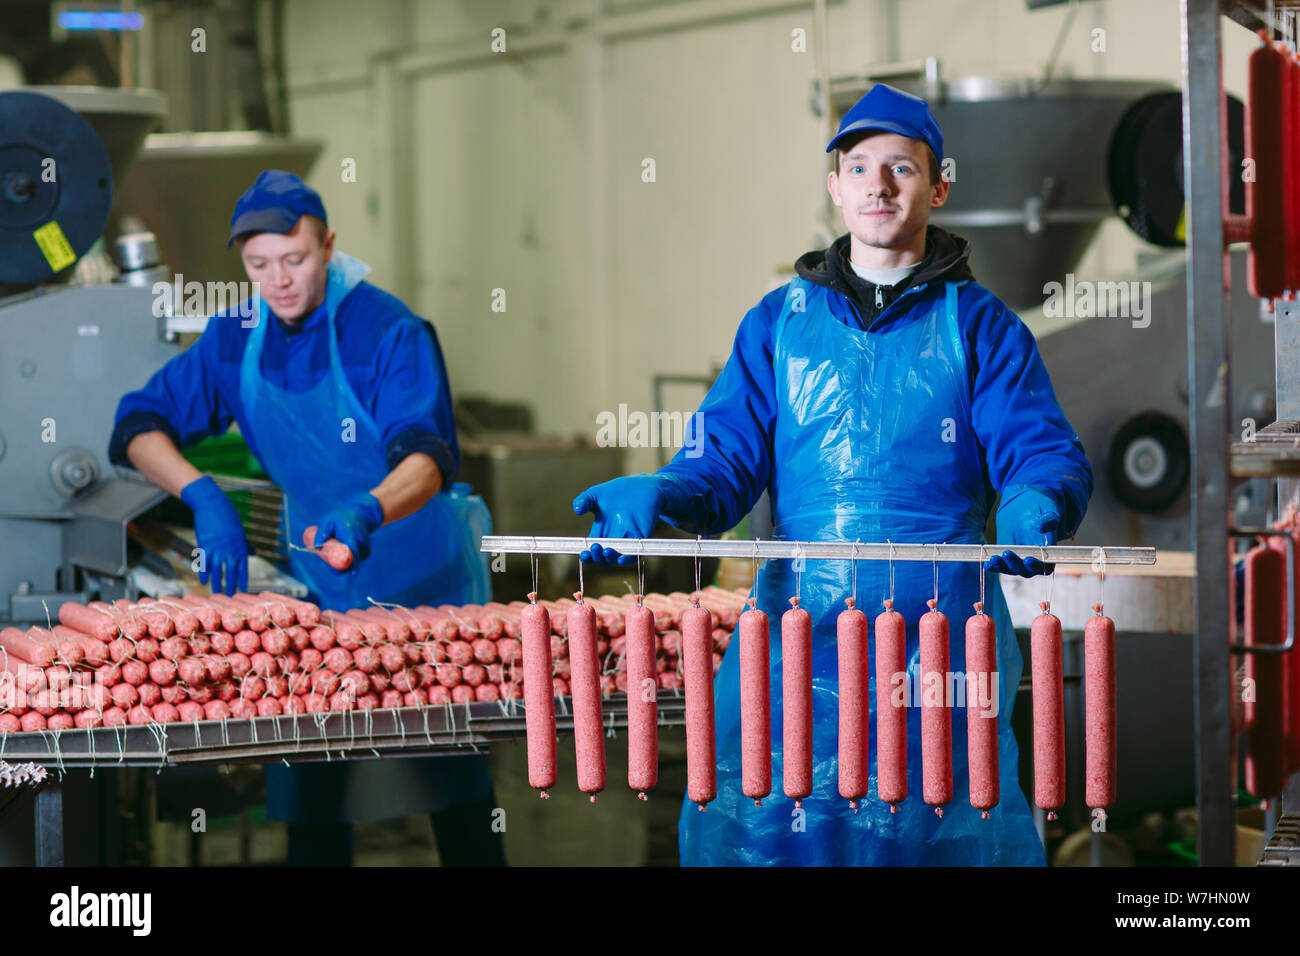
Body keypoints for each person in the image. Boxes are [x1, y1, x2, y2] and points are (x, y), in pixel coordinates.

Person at [572, 85, 1092, 865]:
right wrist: (664, 491)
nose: (877, 186)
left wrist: (1034, 503)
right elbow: (722, 465)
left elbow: (1038, 449)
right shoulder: (778, 324)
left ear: (938, 185)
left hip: (942, 653)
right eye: (858, 167)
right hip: (796, 650)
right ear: (835, 186)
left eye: (900, 168)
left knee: (939, 828)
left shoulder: (981, 325)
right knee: (781, 828)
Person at [109, 170, 506, 866]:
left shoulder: (385, 329)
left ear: (328, 245)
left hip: (425, 586)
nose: (279, 281)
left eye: (294, 259)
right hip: (322, 585)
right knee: (313, 778)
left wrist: (369, 507)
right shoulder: (236, 337)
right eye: (259, 266)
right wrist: (202, 494)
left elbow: (429, 454)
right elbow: (139, 420)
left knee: (455, 785)